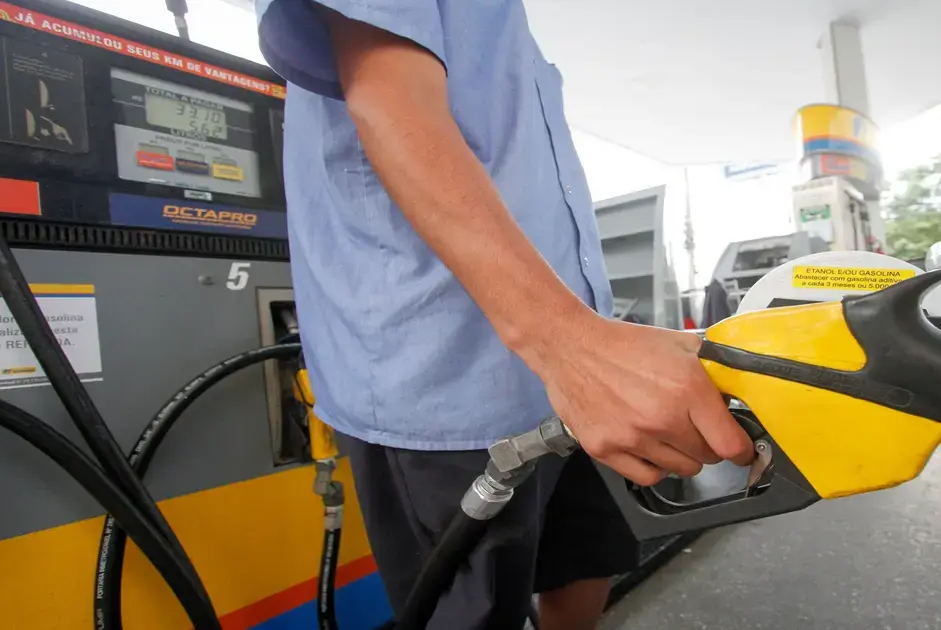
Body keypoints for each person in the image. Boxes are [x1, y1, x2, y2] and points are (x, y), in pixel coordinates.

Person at [255, 2, 754, 628]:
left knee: (588, 555)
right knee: (475, 611)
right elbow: (390, 101)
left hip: (557, 376)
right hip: (448, 375)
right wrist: (569, 345)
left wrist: (589, 341)